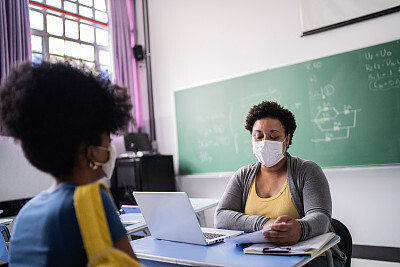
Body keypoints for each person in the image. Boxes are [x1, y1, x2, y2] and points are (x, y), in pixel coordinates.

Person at [0, 61, 138, 266]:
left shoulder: (25, 216)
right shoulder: (92, 200)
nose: (111, 147)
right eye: (108, 141)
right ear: (91, 153)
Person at [215, 101, 346, 267]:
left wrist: (300, 229)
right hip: (257, 259)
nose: (265, 142)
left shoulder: (307, 171)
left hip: (312, 258)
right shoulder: (243, 175)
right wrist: (264, 224)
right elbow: (221, 217)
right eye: (259, 136)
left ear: (287, 139)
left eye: (274, 136)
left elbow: (321, 216)